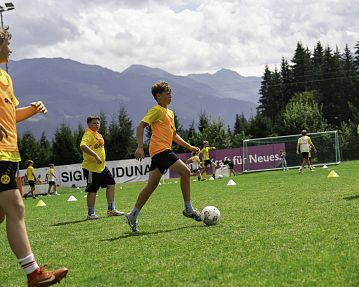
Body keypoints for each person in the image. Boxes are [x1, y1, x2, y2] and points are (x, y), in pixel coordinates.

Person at [0, 26, 68, 286]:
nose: (11, 49)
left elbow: (10, 116)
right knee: (16, 206)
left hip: (9, 153)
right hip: (0, 155)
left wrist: (31, 110)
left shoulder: (6, 78)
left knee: (3, 213)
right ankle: (33, 273)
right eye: (7, 43)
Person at [125, 81, 202, 232]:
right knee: (186, 172)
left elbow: (173, 135)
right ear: (158, 96)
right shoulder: (156, 110)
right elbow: (140, 126)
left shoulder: (170, 113)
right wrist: (140, 147)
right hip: (161, 150)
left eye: (170, 93)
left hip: (160, 152)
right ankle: (189, 209)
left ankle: (133, 214)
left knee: (151, 185)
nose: (170, 96)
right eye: (167, 93)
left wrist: (190, 147)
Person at [80, 115, 124, 220]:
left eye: (98, 123)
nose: (97, 125)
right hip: (91, 168)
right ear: (89, 124)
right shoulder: (88, 134)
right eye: (94, 123)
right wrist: (95, 155)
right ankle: (91, 214)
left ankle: (111, 209)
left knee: (111, 184)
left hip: (102, 167)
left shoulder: (97, 134)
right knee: (92, 190)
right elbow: (82, 146)